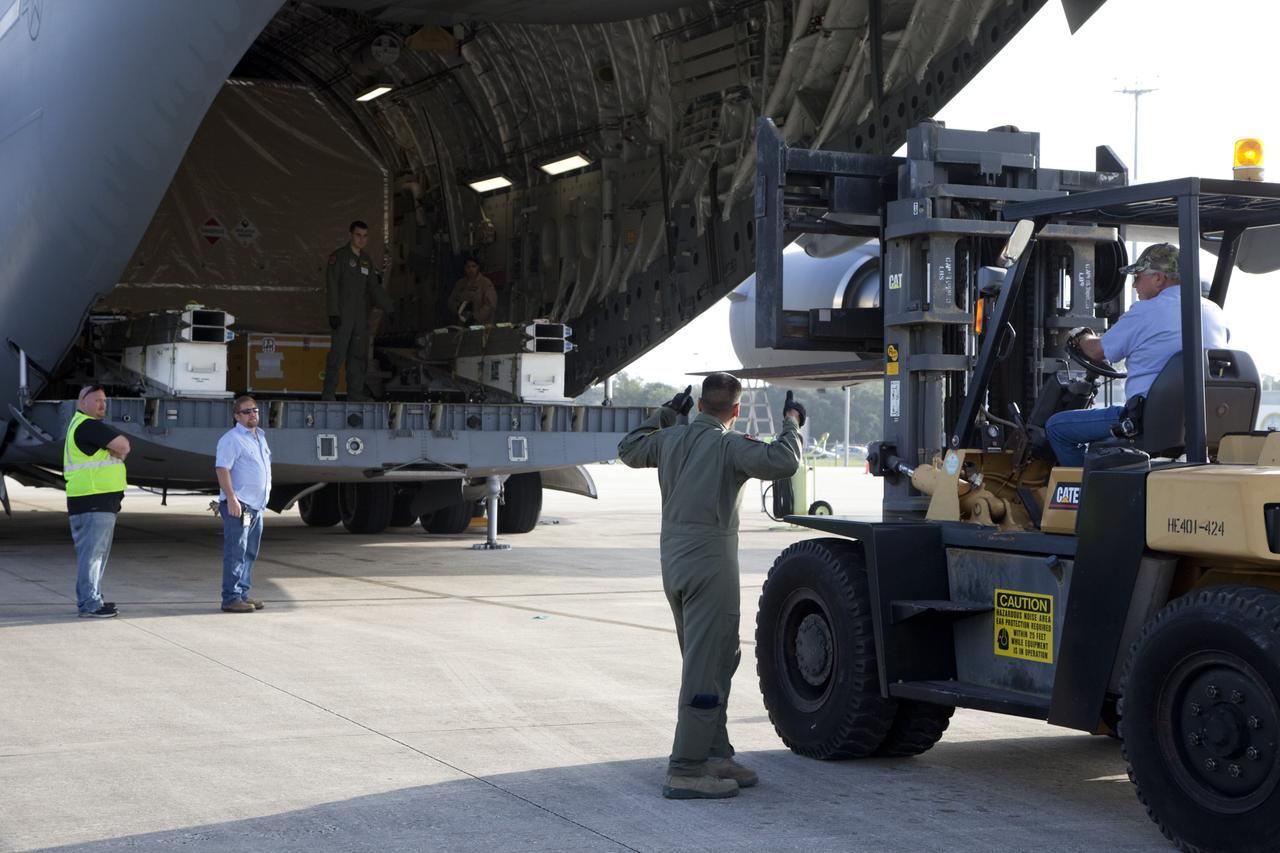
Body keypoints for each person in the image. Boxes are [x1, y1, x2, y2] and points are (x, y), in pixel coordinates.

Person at [618, 374, 805, 799]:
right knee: (706, 666)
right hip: (711, 564)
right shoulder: (728, 445)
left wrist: (666, 413)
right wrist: (792, 422)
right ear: (735, 411)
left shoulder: (670, 439)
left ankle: (715, 754)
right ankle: (685, 769)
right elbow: (783, 461)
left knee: (717, 657)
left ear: (699, 404)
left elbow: (629, 447)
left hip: (675, 561)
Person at [1046, 243, 1229, 466]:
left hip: (1147, 420)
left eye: (1138, 276)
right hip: (1201, 423)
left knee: (1057, 428)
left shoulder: (1146, 311)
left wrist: (1080, 335)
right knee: (1101, 442)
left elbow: (1096, 351)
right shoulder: (1213, 311)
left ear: (1159, 278)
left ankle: (1086, 497)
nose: (1134, 285)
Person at [63, 386, 131, 618]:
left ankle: (94, 598)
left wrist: (115, 450)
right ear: (82, 403)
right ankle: (89, 604)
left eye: (104, 400)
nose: (103, 405)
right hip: (92, 500)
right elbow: (123, 446)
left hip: (97, 501)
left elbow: (120, 449)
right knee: (92, 555)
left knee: (96, 554)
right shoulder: (88, 426)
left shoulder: (84, 426)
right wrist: (115, 450)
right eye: (97, 401)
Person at [322, 220, 393, 401]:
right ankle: (329, 394)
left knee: (357, 356)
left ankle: (355, 393)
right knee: (337, 355)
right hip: (343, 316)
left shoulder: (366, 261)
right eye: (358, 235)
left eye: (364, 236)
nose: (361, 239)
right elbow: (332, 286)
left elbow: (374, 288)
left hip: (360, 317)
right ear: (350, 235)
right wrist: (333, 313)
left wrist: (389, 308)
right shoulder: (338, 257)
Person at [214, 395, 272, 613]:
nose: (252, 414)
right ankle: (231, 598)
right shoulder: (231, 439)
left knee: (249, 552)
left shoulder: (260, 437)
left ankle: (243, 594)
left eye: (255, 410)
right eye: (247, 412)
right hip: (240, 505)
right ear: (237, 416)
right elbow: (222, 469)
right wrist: (231, 498)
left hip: (256, 506)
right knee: (236, 552)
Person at [446, 257, 498, 324]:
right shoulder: (460, 284)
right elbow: (451, 302)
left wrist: (475, 317)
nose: (471, 269)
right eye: (468, 267)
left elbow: (490, 305)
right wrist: (459, 307)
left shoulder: (485, 283)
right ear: (464, 268)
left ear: (478, 267)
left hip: (480, 324)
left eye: (474, 266)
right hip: (462, 322)